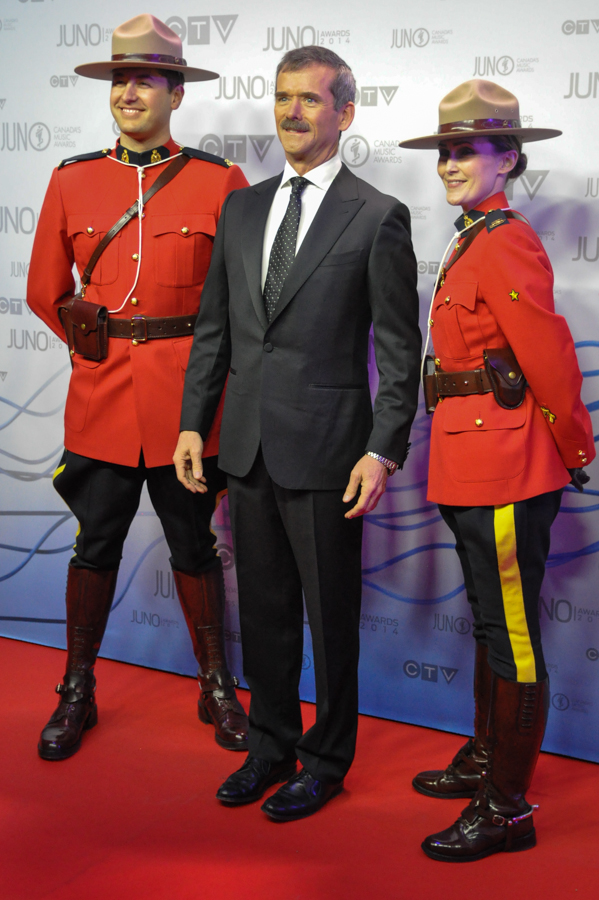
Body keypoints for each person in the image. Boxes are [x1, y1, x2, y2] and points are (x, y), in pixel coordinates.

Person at [174, 46, 421, 822]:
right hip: (244, 444)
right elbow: (214, 330)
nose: (291, 113)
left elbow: (397, 349)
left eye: (309, 100)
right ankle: (270, 747)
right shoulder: (241, 207)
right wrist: (192, 423)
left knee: (328, 615)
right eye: (283, 98)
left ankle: (326, 758)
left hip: (328, 452)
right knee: (268, 613)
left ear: (344, 112)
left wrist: (382, 449)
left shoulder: (377, 214)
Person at [27, 14, 250, 761]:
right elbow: (44, 291)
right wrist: (94, 347)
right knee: (95, 546)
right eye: (119, 79)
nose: (128, 91)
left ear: (175, 93)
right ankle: (77, 689)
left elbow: (241, 301)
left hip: (189, 405)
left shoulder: (221, 182)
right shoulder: (72, 179)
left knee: (195, 544)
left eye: (145, 79)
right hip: (100, 400)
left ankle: (216, 684)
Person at [399, 79, 595, 861]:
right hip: (469, 456)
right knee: (491, 624)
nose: (450, 162)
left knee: (510, 635)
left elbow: (547, 358)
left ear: (507, 158)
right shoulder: (469, 235)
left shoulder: (505, 239)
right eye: (444, 150)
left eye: (466, 150)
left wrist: (572, 447)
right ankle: (486, 760)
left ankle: (508, 808)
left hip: (510, 463)